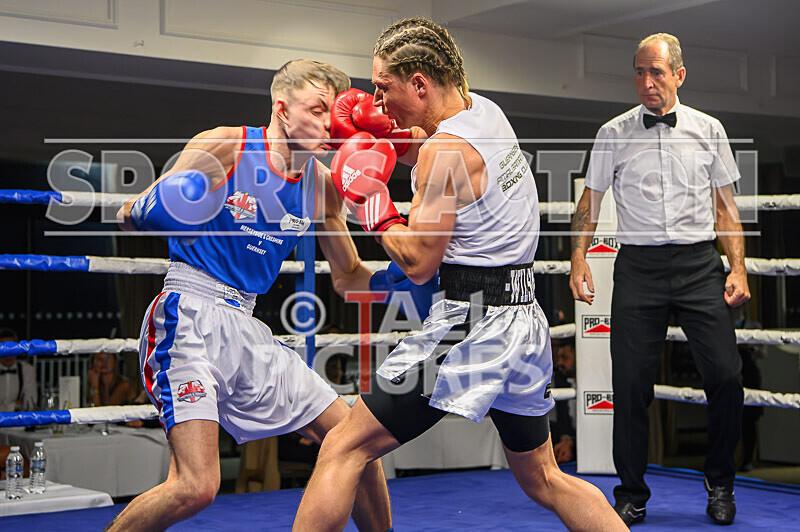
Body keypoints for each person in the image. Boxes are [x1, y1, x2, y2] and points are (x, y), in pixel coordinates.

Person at [293, 18, 626, 531]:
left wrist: (370, 203)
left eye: (384, 89)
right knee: (542, 476)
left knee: (343, 445)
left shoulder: (444, 153)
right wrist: (355, 142)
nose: (378, 104)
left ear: (420, 83)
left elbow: (420, 260)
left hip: (470, 325)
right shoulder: (485, 111)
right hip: (522, 316)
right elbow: (427, 160)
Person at [107, 59, 391, 532]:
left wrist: (414, 274)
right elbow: (128, 215)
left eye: (335, 113)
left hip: (248, 325)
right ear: (282, 109)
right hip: (188, 315)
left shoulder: (321, 185)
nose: (329, 124)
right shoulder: (228, 144)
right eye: (317, 110)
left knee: (356, 441)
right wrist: (169, 204)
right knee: (195, 486)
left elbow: (349, 277)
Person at [569, 33, 748, 526]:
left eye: (658, 72)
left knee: (727, 376)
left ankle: (720, 483)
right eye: (640, 72)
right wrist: (578, 259)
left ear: (679, 76)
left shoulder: (709, 129)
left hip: (697, 267)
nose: (647, 82)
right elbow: (590, 204)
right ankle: (630, 491)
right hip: (639, 268)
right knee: (628, 384)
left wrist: (737, 266)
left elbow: (726, 208)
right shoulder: (613, 133)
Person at [550, 339, 576, 463]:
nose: (559, 362)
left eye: (565, 358)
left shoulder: (598, 386)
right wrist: (566, 439)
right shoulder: (561, 381)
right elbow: (563, 421)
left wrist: (572, 443)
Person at [0, 328, 37, 412]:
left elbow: (30, 403)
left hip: (19, 422)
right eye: (4, 349)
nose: (8, 354)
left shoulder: (27, 370)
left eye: (12, 348)